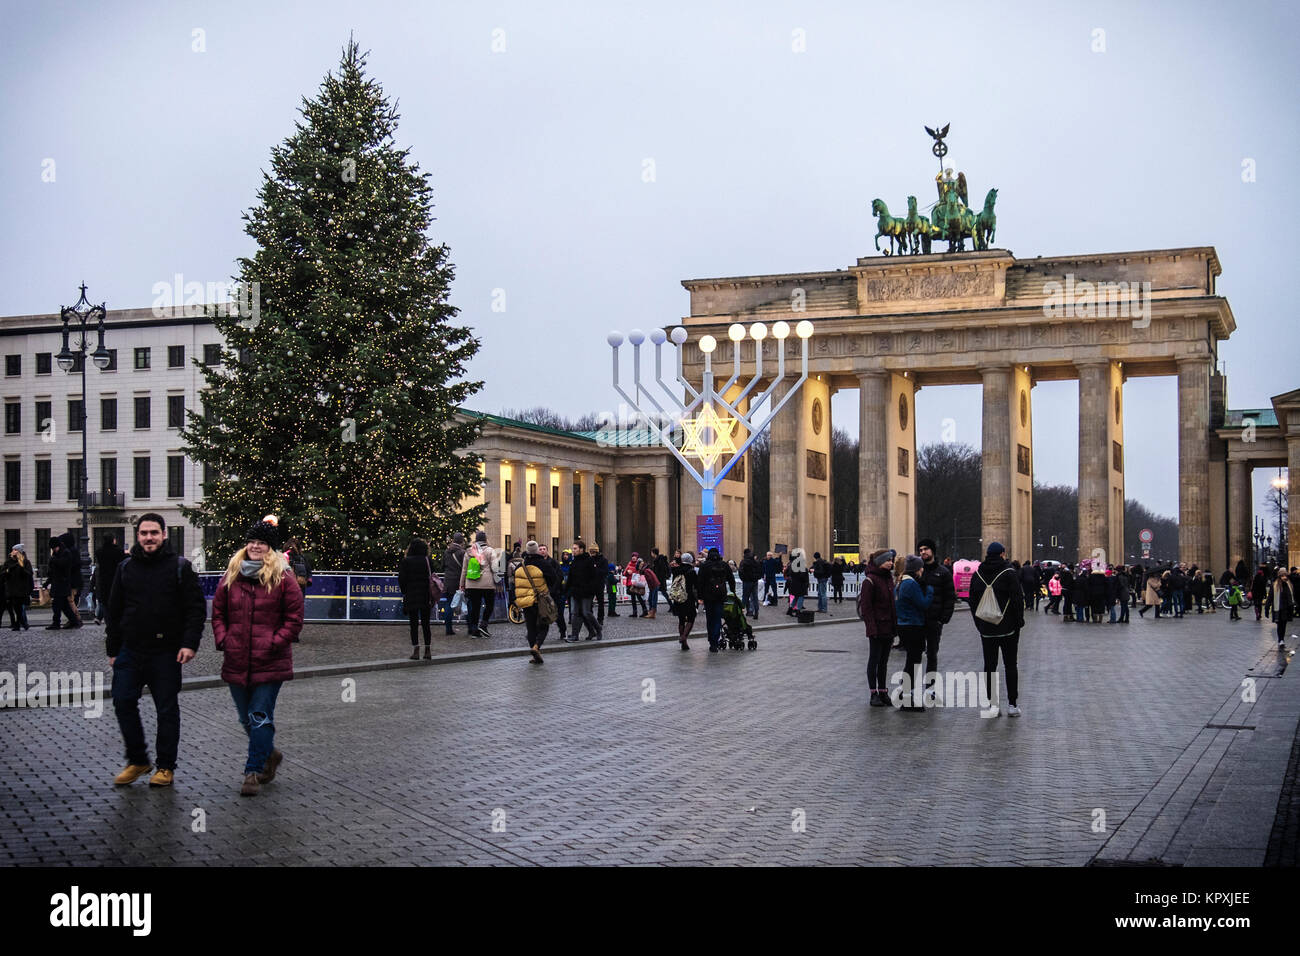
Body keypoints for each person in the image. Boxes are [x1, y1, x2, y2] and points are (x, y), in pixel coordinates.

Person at [106, 513, 207, 788]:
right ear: (137, 536)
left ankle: (165, 767)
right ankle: (138, 760)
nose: (148, 537)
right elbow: (113, 611)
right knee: (122, 701)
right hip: (130, 649)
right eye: (143, 533)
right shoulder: (125, 567)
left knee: (166, 709)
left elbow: (195, 610)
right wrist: (113, 649)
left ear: (164, 534)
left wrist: (189, 643)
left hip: (166, 651)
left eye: (153, 532)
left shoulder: (179, 567)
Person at [212, 516, 304, 796]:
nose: (255, 546)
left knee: (260, 715)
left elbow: (294, 618)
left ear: (271, 548)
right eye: (252, 541)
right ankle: (270, 753)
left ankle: (252, 772)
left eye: (262, 542)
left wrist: (274, 642)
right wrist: (224, 639)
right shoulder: (232, 574)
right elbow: (218, 612)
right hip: (237, 658)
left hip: (270, 660)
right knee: (246, 719)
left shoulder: (284, 578)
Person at [967, 542, 1025, 717]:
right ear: (1002, 554)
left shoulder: (978, 573)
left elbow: (973, 601)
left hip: (986, 628)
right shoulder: (1009, 573)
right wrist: (1018, 622)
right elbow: (1017, 600)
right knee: (1010, 665)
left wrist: (979, 623)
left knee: (989, 666)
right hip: (1008, 628)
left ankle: (993, 705)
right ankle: (1012, 704)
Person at [916, 538, 956, 703]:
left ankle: (930, 688)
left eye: (926, 549)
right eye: (920, 550)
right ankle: (912, 688)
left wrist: (943, 619)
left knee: (932, 654)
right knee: (915, 654)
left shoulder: (943, 572)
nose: (923, 552)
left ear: (932, 551)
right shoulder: (917, 571)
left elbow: (949, 597)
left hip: (934, 620)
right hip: (917, 620)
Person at [857, 549, 897, 707]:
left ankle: (883, 691)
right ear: (880, 561)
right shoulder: (870, 581)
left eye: (892, 560)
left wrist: (895, 626)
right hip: (877, 627)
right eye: (888, 560)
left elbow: (892, 605)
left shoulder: (888, 579)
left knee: (884, 662)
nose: (891, 563)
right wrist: (871, 628)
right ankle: (873, 693)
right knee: (874, 660)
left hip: (888, 626)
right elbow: (867, 608)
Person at [895, 555, 935, 711]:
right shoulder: (911, 584)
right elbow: (923, 604)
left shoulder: (900, 583)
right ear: (917, 569)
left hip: (904, 625)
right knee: (914, 662)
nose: (922, 570)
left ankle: (905, 693)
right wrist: (930, 591)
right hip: (913, 625)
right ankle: (907, 696)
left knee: (911, 661)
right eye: (921, 567)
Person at [514, 541, 561, 664]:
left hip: (526, 601)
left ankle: (535, 654)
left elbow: (516, 584)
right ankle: (537, 647)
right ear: (536, 551)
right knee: (544, 624)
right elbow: (554, 579)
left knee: (530, 628)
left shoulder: (520, 566)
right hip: (540, 600)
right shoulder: (543, 564)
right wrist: (549, 591)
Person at [397, 538, 436, 660]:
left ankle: (416, 650)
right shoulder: (427, 560)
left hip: (411, 594)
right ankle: (428, 650)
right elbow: (433, 576)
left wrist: (404, 591)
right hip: (425, 594)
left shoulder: (406, 561)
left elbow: (402, 579)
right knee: (426, 623)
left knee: (413, 623)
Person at [696, 547, 736, 652]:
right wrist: (732, 590)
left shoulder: (705, 566)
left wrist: (700, 597)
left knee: (710, 619)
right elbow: (731, 579)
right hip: (720, 595)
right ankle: (715, 639)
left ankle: (711, 641)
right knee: (718, 618)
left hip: (708, 595)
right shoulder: (724, 565)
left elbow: (699, 582)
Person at [459, 531, 498, 638]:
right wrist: (497, 580)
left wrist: (462, 584)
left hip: (471, 583)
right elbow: (495, 567)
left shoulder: (469, 552)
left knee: (475, 607)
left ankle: (475, 630)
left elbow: (464, 570)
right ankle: (484, 624)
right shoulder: (490, 551)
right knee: (489, 605)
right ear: (485, 540)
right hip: (487, 584)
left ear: (476, 540)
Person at [566, 540, 603, 642]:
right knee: (575, 613)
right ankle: (575, 635)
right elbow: (570, 578)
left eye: (575, 548)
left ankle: (598, 628)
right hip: (576, 591)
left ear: (581, 549)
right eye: (573, 548)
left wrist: (591, 590)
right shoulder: (574, 561)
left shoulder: (589, 560)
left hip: (587, 592)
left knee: (586, 612)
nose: (573, 550)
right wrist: (566, 590)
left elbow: (593, 577)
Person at [45, 534, 81, 630]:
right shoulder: (58, 554)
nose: (53, 550)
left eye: (54, 548)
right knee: (65, 606)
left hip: (63, 583)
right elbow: (53, 571)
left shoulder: (66, 553)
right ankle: (74, 621)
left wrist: (53, 560)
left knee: (56, 605)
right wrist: (48, 581)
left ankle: (56, 623)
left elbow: (63, 564)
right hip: (58, 583)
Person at [667, 551, 699, 649]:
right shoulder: (692, 571)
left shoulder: (676, 570)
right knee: (691, 618)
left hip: (678, 597)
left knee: (681, 620)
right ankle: (684, 637)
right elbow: (696, 586)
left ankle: (684, 643)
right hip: (688, 598)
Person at [93, 535, 126, 625]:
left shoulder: (99, 552)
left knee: (105, 604)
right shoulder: (119, 551)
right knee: (117, 603)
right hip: (116, 580)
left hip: (104, 581)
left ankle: (109, 625)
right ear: (113, 540)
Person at [3, 544, 34, 630]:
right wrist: (11, 569)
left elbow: (29, 574)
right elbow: (4, 573)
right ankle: (22, 623)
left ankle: (18, 624)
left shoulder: (25, 562)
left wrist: (21, 566)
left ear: (19, 552)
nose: (13, 552)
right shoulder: (8, 562)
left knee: (19, 606)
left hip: (22, 589)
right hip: (12, 589)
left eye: (15, 550)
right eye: (13, 550)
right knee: (16, 607)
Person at [441, 532, 466, 634]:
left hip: (448, 581)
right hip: (458, 581)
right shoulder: (462, 553)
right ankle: (471, 628)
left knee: (449, 604)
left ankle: (448, 629)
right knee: (465, 603)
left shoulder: (446, 552)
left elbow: (442, 565)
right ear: (462, 541)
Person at [1267, 568, 1294, 652]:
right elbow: (1270, 597)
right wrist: (1267, 607)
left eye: (1285, 575)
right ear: (1279, 576)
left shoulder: (1288, 584)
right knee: (1279, 625)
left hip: (1286, 608)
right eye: (1282, 575)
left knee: (1284, 624)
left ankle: (1282, 639)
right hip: (1278, 608)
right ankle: (1280, 640)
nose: (1284, 577)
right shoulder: (1275, 585)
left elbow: (1291, 595)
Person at [785, 549, 810, 616]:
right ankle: (798, 611)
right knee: (800, 597)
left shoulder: (792, 564)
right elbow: (803, 575)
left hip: (794, 583)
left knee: (796, 597)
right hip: (800, 584)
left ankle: (790, 609)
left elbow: (789, 573)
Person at [624, 553, 649, 618]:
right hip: (630, 583)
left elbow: (641, 572)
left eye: (635, 556)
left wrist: (633, 572)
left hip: (636, 583)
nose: (633, 557)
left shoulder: (639, 563)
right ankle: (634, 612)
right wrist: (627, 572)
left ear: (637, 557)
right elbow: (624, 573)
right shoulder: (629, 564)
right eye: (632, 556)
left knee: (639, 597)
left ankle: (645, 610)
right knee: (633, 599)